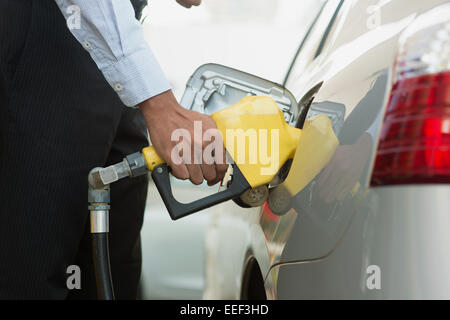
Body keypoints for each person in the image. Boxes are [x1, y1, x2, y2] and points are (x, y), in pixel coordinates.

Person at [0, 0, 227, 299]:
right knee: (30, 276)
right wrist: (159, 104)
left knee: (111, 271)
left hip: (108, 57)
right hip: (50, 41)